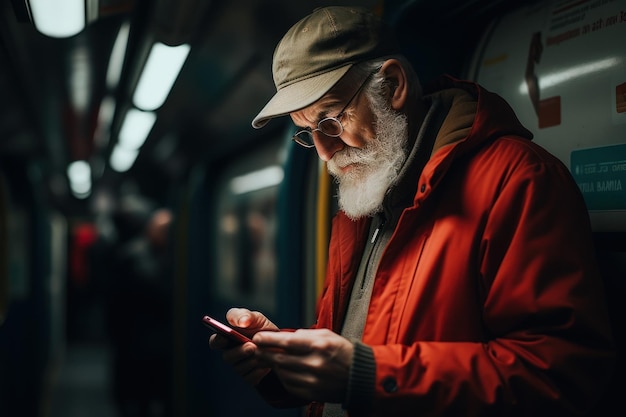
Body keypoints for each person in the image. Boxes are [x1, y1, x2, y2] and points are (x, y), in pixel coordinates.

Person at [209, 6, 615, 417]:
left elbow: (558, 376)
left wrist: (365, 375)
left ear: (392, 85)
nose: (325, 151)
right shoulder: (363, 199)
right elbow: (363, 339)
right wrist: (284, 362)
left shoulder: (518, 181)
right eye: (308, 132)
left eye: (330, 121)